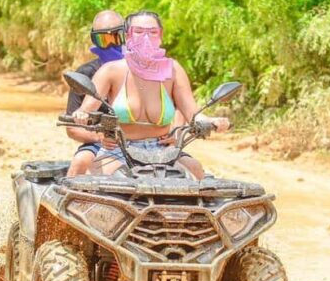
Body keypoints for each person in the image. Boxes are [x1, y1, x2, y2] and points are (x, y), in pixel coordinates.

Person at [72, 10, 228, 178]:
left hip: (163, 151)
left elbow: (193, 114)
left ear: (160, 35)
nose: (146, 38)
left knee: (195, 170)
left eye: (152, 32)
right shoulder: (110, 70)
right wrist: (81, 115)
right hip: (119, 149)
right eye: (138, 32)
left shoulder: (174, 70)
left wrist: (212, 121)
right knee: (108, 187)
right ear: (127, 35)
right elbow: (86, 109)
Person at [65, 10, 125, 176]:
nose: (111, 44)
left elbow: (173, 105)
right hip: (103, 143)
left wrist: (174, 135)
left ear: (127, 35)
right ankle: (67, 199)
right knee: (80, 161)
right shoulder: (86, 74)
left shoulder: (143, 70)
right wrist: (101, 138)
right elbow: (72, 128)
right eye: (103, 39)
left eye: (116, 37)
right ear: (94, 40)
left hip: (145, 142)